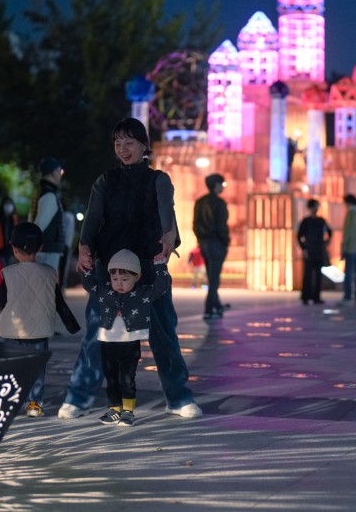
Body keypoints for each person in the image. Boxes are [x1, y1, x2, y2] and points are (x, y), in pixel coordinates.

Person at [64, 117, 200, 420]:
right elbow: (92, 220)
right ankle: (79, 397)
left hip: (149, 266)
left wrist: (169, 238)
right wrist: (84, 247)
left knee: (163, 332)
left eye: (129, 143)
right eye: (118, 143)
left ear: (144, 146)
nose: (123, 149)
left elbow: (168, 216)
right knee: (97, 331)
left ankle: (178, 397)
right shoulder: (105, 181)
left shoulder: (159, 180)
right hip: (109, 269)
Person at [0, 222, 80, 418]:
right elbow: (59, 302)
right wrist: (72, 326)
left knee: (12, 368)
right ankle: (34, 404)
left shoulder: (8, 273)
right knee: (37, 368)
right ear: (41, 247)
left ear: (13, 248)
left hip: (11, 332)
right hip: (39, 333)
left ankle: (11, 402)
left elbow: (0, 298)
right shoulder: (49, 273)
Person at [91, 249, 170, 427]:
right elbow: (89, 284)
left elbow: (161, 287)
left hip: (129, 344)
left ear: (138, 276)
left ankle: (128, 411)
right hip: (107, 342)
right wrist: (90, 266)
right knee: (110, 379)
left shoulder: (142, 293)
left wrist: (160, 266)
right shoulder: (105, 291)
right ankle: (114, 409)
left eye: (125, 279)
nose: (119, 283)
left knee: (126, 379)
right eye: (115, 279)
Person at [193, 173, 231, 320]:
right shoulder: (219, 203)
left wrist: (200, 239)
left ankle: (217, 305)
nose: (222, 187)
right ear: (215, 185)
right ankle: (209, 308)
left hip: (204, 243)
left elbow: (195, 224)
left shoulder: (200, 202)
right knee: (214, 278)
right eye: (221, 184)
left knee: (212, 276)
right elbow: (222, 225)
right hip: (216, 243)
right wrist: (225, 241)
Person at [32, 158, 67, 282]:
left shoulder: (41, 193)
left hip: (45, 248)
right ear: (52, 172)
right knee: (45, 287)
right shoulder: (49, 196)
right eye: (59, 171)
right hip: (47, 249)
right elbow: (39, 225)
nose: (60, 174)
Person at [297, 198, 332, 305]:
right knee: (307, 274)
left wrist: (326, 244)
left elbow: (330, 232)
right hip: (309, 249)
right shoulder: (306, 221)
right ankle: (306, 297)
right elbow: (299, 236)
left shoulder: (321, 221)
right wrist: (304, 248)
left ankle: (316, 297)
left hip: (319, 250)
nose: (315, 209)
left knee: (317, 275)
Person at [0, 196, 19, 275]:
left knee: (9, 270)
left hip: (11, 250)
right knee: (1, 270)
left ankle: (7, 285)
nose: (8, 206)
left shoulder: (14, 219)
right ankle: (3, 285)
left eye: (9, 204)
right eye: (6, 204)